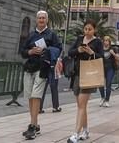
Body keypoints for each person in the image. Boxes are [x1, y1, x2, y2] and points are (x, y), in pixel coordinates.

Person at [20, 10, 62, 140]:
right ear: (36, 20)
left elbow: (59, 49)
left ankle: (32, 126)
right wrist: (31, 51)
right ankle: (36, 124)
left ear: (47, 20)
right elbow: (22, 51)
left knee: (36, 96)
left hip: (42, 68)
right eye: (40, 18)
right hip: (29, 68)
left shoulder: (51, 35)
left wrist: (45, 50)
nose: (42, 20)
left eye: (44, 18)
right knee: (30, 97)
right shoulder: (31, 35)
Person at [66, 19, 103, 143]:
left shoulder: (97, 42)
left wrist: (92, 52)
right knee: (81, 106)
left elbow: (101, 58)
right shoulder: (79, 39)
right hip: (77, 74)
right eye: (86, 29)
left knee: (81, 106)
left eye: (90, 29)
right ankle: (86, 131)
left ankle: (75, 134)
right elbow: (70, 53)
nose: (87, 31)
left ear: (94, 30)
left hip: (89, 75)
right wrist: (79, 50)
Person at [98, 35, 119, 107]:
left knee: (108, 84)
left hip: (110, 68)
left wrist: (113, 53)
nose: (105, 42)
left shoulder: (113, 48)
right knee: (100, 84)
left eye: (107, 40)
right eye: (104, 40)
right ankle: (102, 97)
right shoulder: (101, 49)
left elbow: (118, 58)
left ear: (109, 42)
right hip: (102, 68)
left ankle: (107, 100)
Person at [39, 47, 62, 114]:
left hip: (44, 66)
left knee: (42, 88)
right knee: (54, 88)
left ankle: (38, 108)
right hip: (53, 66)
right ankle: (55, 107)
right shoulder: (56, 45)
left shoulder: (44, 43)